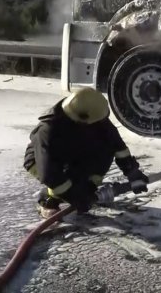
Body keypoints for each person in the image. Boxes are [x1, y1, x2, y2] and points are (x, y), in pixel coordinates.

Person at [23, 87, 149, 219]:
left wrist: (132, 172)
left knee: (103, 153)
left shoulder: (93, 114)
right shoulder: (48, 130)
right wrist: (74, 197)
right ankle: (49, 199)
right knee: (67, 182)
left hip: (74, 150)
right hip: (41, 160)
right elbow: (49, 172)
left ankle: (87, 187)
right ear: (81, 118)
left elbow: (116, 144)